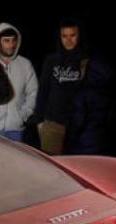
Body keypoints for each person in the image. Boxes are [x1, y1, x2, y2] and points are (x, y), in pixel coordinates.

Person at [34, 18, 89, 154]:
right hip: (52, 124)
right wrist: (40, 121)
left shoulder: (86, 61)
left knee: (75, 168)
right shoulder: (51, 60)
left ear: (80, 36)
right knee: (52, 168)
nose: (68, 40)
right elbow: (43, 91)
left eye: (72, 35)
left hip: (79, 127)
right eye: (64, 36)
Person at [0, 23, 38, 141]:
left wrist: (22, 116)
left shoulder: (25, 64)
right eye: (6, 41)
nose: (11, 45)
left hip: (17, 130)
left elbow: (33, 92)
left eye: (13, 40)